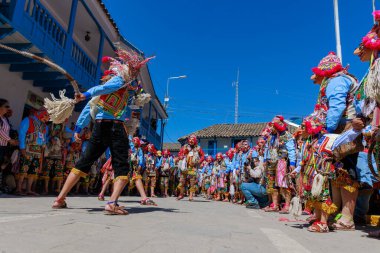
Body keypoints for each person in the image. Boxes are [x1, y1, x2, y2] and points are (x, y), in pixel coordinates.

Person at [52, 48, 153, 214]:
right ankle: (112, 203)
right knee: (122, 165)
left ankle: (60, 199)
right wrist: (84, 94)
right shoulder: (118, 82)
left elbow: (89, 108)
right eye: (134, 70)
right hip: (115, 127)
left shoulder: (122, 88)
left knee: (84, 161)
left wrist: (79, 127)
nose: (135, 74)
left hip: (100, 126)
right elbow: (96, 90)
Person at [17, 108, 49, 196]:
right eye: (46, 115)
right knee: (24, 168)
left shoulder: (44, 126)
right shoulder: (28, 120)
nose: (47, 118)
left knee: (33, 170)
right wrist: (22, 147)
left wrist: (43, 148)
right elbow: (22, 133)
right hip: (27, 148)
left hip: (38, 151)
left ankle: (28, 189)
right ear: (41, 114)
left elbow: (44, 138)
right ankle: (18, 189)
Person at [177, 135, 205, 201]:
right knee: (182, 180)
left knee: (192, 182)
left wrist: (199, 161)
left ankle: (191, 195)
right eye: (190, 139)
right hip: (185, 166)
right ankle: (181, 194)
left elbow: (203, 156)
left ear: (195, 140)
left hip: (193, 167)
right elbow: (180, 153)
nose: (191, 141)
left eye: (192, 140)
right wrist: (180, 157)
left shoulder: (198, 148)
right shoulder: (185, 147)